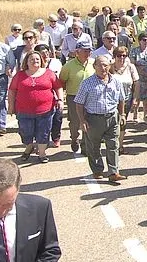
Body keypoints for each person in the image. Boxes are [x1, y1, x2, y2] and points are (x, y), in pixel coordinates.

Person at [75, 54, 127, 184]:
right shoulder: (87, 83)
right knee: (93, 146)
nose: (103, 68)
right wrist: (82, 121)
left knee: (113, 145)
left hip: (112, 117)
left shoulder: (116, 81)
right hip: (93, 119)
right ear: (94, 67)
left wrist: (122, 114)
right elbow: (79, 103)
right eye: (100, 65)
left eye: (106, 65)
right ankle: (97, 170)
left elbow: (121, 99)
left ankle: (113, 172)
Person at [7, 52, 63, 165]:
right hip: (23, 111)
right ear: (26, 62)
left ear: (41, 61)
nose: (35, 61)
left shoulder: (49, 73)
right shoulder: (20, 75)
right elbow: (12, 90)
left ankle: (42, 153)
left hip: (46, 110)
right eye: (31, 59)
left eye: (37, 59)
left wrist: (60, 100)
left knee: (44, 132)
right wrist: (11, 106)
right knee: (26, 132)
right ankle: (29, 146)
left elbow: (58, 87)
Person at [58, 41, 93, 153]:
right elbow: (62, 81)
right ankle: (74, 138)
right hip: (74, 97)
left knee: (88, 120)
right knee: (75, 122)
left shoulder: (93, 63)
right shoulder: (68, 66)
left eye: (89, 51)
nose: (88, 53)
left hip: (90, 97)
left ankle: (84, 145)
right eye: (85, 51)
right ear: (77, 52)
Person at [110, 46, 138, 155]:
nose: (121, 58)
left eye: (124, 56)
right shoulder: (110, 68)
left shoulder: (131, 67)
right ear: (115, 56)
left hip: (127, 99)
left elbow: (137, 83)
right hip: (112, 100)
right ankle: (113, 143)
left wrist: (136, 98)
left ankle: (120, 145)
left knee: (122, 121)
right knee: (113, 123)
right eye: (119, 55)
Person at [129, 33, 147, 123]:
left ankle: (146, 115)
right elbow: (132, 63)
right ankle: (135, 114)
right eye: (144, 40)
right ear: (139, 41)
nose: (146, 42)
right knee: (136, 97)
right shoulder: (134, 51)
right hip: (138, 78)